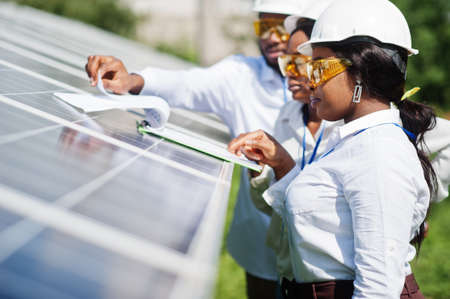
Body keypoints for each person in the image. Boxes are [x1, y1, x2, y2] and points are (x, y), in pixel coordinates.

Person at [228, 0, 448, 297]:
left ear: (360, 72)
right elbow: (319, 217)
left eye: (317, 67)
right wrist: (282, 164)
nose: (308, 79)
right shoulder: (354, 140)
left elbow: (378, 288)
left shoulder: (379, 154)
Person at [84, 1, 302, 298]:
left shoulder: (331, 89)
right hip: (260, 239)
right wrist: (131, 81)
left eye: (282, 27)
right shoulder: (241, 75)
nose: (272, 37)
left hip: (313, 248)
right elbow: (186, 84)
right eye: (264, 26)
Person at [229, 0, 338, 286]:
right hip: (289, 270)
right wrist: (260, 173)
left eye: (298, 62)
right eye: (286, 61)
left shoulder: (348, 124)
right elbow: (273, 207)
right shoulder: (289, 113)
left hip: (328, 276)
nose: (288, 71)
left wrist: (414, 213)